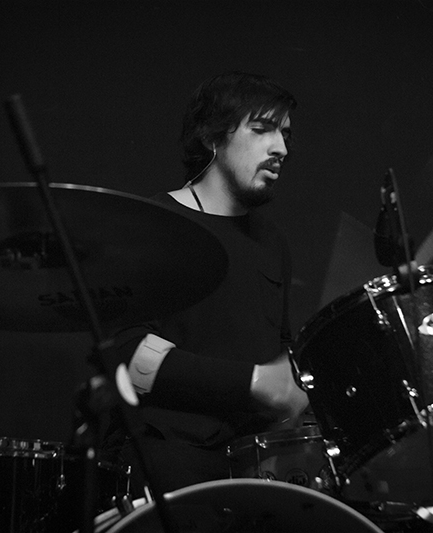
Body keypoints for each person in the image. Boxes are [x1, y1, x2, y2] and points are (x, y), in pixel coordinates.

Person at [101, 71, 309, 498]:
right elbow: (129, 356)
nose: (281, 148)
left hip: (254, 471)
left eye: (285, 134)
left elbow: (279, 350)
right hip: (169, 466)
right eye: (262, 129)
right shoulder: (155, 225)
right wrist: (253, 381)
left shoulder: (272, 242)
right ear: (212, 136)